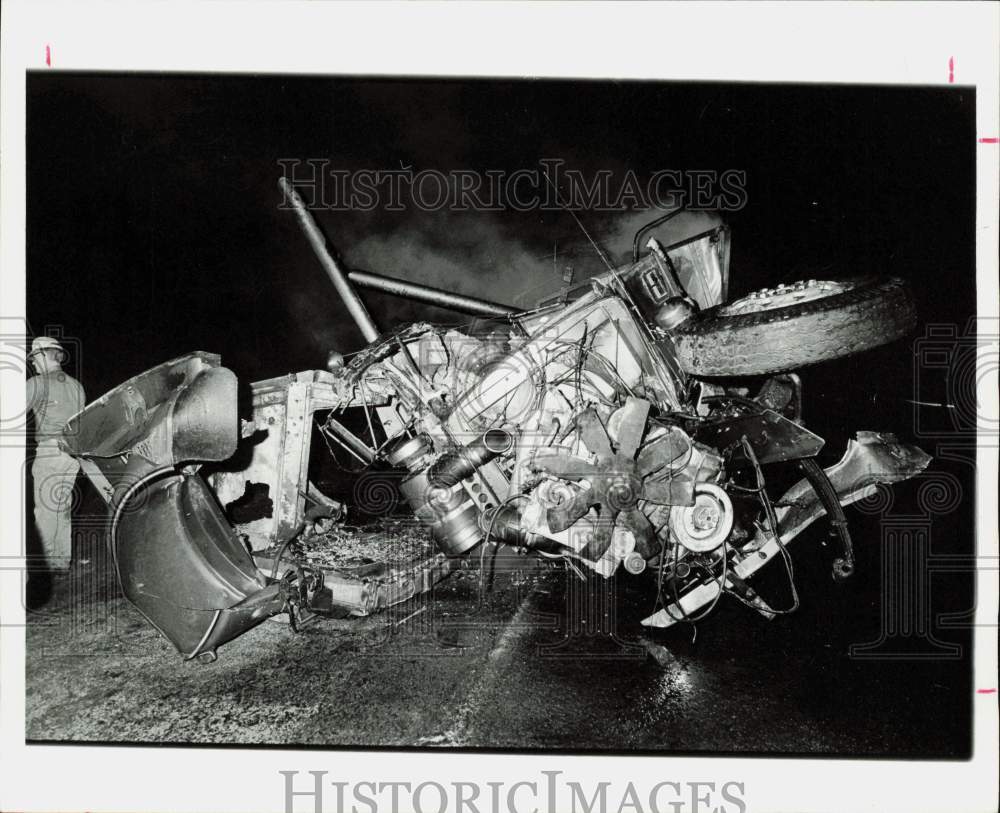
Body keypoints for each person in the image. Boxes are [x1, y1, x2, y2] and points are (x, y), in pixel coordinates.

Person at [25, 337, 86, 573]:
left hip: (50, 452)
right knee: (61, 506)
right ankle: (61, 561)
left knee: (45, 509)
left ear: (43, 356)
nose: (33, 364)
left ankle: (45, 565)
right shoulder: (76, 385)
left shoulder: (38, 383)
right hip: (72, 455)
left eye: (34, 359)